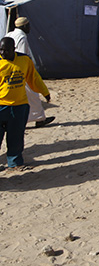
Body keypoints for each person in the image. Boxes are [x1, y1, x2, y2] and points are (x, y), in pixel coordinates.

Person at [0, 37, 50, 170]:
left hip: (19, 106)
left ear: (14, 49)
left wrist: (45, 92)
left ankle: (15, 163)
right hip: (1, 105)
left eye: (6, 50)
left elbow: (33, 78)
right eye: (1, 50)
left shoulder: (24, 60)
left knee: (16, 136)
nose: (3, 53)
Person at [6, 17, 55, 127]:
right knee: (32, 95)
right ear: (24, 26)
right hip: (21, 71)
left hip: (10, 70)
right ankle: (38, 119)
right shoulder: (22, 37)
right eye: (28, 26)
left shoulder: (10, 34)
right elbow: (22, 56)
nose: (29, 28)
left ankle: (36, 118)